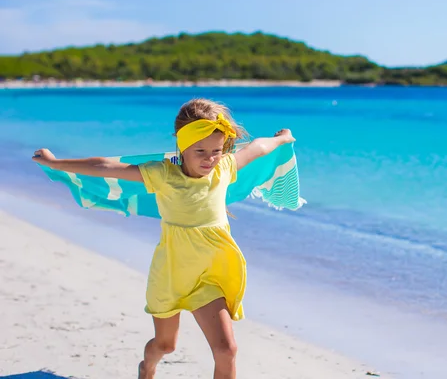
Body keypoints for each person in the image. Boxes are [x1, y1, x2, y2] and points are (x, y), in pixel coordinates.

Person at [32, 98, 296, 379]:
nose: (210, 159)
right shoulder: (162, 174)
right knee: (165, 345)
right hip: (171, 274)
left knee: (227, 350)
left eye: (216, 150)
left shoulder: (224, 169)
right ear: (182, 147)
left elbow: (257, 148)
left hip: (211, 275)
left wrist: (282, 139)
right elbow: (104, 166)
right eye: (201, 151)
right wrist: (54, 162)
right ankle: (148, 367)